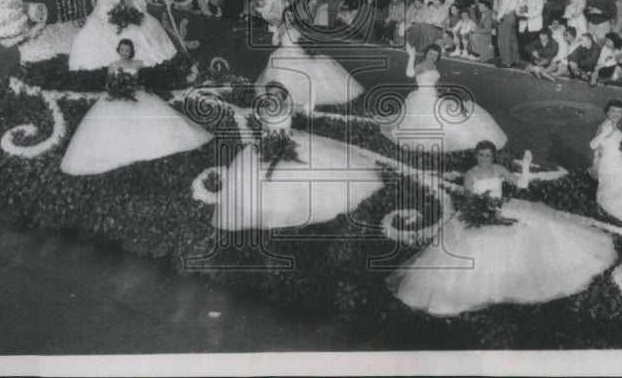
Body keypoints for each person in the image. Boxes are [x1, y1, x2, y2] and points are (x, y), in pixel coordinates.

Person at [387, 141, 617, 315]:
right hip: (479, 215)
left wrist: (526, 164)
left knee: (534, 231)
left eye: (488, 155)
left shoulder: (499, 170)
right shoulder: (470, 175)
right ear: (476, 156)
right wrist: (482, 214)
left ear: (493, 156)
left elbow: (522, 185)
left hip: (504, 209)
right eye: (481, 155)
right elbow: (468, 201)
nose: (484, 158)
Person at [212, 82, 383, 231]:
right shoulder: (262, 110)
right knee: (256, 180)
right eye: (271, 94)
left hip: (291, 141)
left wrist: (312, 92)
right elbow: (245, 115)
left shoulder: (288, 108)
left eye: (278, 94)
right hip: (267, 144)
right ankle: (267, 209)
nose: (274, 97)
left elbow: (307, 107)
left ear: (282, 96)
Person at [61, 40, 212, 175]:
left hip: (136, 93)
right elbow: (109, 83)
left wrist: (137, 86)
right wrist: (116, 89)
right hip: (118, 95)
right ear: (118, 50)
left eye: (127, 50)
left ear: (131, 51)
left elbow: (143, 79)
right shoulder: (113, 65)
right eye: (122, 50)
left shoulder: (138, 63)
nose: (124, 53)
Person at [384, 43, 507, 152]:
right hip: (423, 97)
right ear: (426, 53)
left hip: (434, 94)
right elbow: (409, 74)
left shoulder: (432, 66)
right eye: (430, 54)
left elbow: (437, 83)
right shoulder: (422, 66)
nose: (432, 57)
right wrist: (411, 56)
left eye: (435, 55)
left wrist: (448, 93)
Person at [69, 0, 177, 70]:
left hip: (116, 17)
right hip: (102, 18)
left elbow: (125, 4)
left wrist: (132, 11)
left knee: (136, 30)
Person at [255, 15, 363, 114]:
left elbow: (302, 42)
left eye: (292, 17)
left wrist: (308, 50)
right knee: (282, 75)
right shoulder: (281, 27)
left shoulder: (296, 29)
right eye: (288, 17)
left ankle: (302, 101)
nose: (290, 19)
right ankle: (283, 97)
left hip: (297, 53)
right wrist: (277, 34)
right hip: (284, 54)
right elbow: (275, 42)